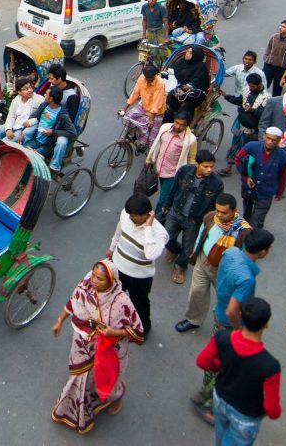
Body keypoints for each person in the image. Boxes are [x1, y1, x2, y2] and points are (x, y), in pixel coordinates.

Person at [50, 260, 144, 433]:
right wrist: (59, 321)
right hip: (81, 345)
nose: (94, 280)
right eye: (93, 275)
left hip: (106, 351)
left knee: (106, 380)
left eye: (100, 279)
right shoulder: (86, 287)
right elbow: (73, 301)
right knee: (79, 377)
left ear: (111, 281)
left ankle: (116, 398)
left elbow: (137, 331)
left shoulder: (121, 302)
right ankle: (77, 408)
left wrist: (114, 332)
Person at [191, 229, 274, 422]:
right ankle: (208, 403)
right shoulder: (247, 279)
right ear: (263, 251)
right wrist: (239, 330)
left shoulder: (231, 252)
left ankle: (204, 392)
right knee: (226, 366)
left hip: (218, 311)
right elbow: (232, 310)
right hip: (228, 324)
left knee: (217, 358)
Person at [196, 296, 283, 445]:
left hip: (219, 400)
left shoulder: (221, 338)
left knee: (221, 436)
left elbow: (202, 361)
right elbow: (272, 409)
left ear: (241, 316)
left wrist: (219, 365)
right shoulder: (270, 366)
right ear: (266, 325)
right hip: (246, 416)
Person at [175, 195, 251, 335]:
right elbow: (201, 235)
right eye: (218, 211)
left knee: (225, 300)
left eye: (224, 213)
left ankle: (223, 328)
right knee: (197, 292)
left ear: (234, 211)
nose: (220, 215)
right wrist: (196, 253)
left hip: (225, 271)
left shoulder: (243, 231)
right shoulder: (211, 217)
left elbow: (244, 258)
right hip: (203, 261)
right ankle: (193, 319)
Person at [105, 192, 168, 335]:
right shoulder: (126, 215)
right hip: (118, 267)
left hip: (139, 277)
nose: (130, 217)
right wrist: (112, 248)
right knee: (113, 296)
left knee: (140, 304)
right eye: (129, 214)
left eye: (133, 216)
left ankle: (143, 328)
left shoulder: (159, 234)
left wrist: (147, 228)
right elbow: (118, 231)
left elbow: (151, 254)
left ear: (146, 214)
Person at [161, 151, 222, 286]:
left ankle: (180, 268)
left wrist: (206, 222)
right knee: (166, 238)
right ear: (196, 164)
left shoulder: (216, 183)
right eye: (205, 166)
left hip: (194, 220)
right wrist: (167, 204)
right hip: (175, 212)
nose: (209, 170)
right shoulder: (184, 171)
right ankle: (174, 249)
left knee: (188, 249)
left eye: (211, 167)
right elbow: (174, 188)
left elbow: (213, 206)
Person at [235, 127, 286, 228]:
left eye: (274, 140)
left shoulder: (283, 156)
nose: (270, 142)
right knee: (246, 215)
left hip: (266, 192)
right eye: (268, 138)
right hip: (248, 189)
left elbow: (283, 176)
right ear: (264, 136)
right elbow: (238, 159)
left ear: (279, 141)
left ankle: (252, 236)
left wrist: (280, 192)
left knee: (257, 220)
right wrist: (246, 177)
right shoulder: (251, 147)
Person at [147, 111, 198, 217]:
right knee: (165, 195)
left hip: (172, 175)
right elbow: (156, 143)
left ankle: (156, 220)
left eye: (182, 125)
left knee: (163, 199)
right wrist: (149, 159)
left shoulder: (191, 140)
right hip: (158, 169)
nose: (178, 126)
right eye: (177, 122)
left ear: (187, 125)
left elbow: (192, 159)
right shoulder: (164, 128)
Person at [221, 73, 269, 178]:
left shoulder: (266, 97)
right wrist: (226, 96)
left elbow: (264, 115)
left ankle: (247, 172)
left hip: (252, 129)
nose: (250, 88)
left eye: (253, 86)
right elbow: (239, 101)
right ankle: (229, 167)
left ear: (259, 84)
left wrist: (252, 110)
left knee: (247, 149)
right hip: (241, 124)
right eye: (250, 85)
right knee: (235, 144)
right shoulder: (247, 90)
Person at [29, 87, 78, 174]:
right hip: (35, 140)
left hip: (47, 146)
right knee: (20, 152)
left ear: (51, 98)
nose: (44, 95)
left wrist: (53, 132)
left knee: (31, 160)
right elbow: (34, 116)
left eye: (46, 94)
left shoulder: (63, 115)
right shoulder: (43, 105)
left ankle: (25, 184)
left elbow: (73, 133)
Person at [122, 63, 166, 147]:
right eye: (147, 78)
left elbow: (156, 103)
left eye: (151, 79)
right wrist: (125, 108)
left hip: (156, 112)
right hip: (144, 105)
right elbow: (135, 93)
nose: (148, 81)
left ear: (155, 75)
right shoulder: (141, 78)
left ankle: (146, 147)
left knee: (150, 135)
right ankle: (130, 136)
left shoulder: (160, 84)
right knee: (129, 117)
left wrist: (151, 119)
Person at [166, 47, 210, 123]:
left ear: (196, 55)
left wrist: (185, 88)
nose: (187, 53)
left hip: (193, 93)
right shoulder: (182, 61)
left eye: (190, 52)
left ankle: (184, 123)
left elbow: (197, 82)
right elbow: (172, 71)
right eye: (187, 51)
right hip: (177, 88)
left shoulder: (201, 67)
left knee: (185, 105)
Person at [261, 21, 286, 96]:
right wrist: (266, 58)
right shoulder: (274, 37)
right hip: (268, 66)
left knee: (277, 91)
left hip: (281, 70)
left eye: (283, 27)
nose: (280, 28)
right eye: (280, 26)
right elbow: (268, 48)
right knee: (262, 87)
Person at [4, 77, 44, 144]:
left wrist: (31, 122)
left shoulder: (39, 99)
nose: (30, 90)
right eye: (25, 89)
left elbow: (43, 116)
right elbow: (11, 116)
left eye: (30, 87)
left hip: (24, 127)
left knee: (5, 142)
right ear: (19, 92)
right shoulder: (16, 100)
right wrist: (8, 129)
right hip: (15, 123)